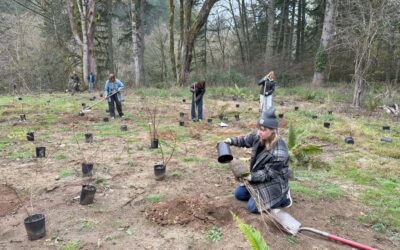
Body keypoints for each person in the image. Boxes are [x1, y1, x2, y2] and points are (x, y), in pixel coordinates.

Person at [223, 107, 292, 213]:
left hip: (274, 182)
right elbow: (245, 140)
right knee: (239, 194)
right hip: (258, 176)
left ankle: (284, 197)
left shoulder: (279, 152)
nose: (259, 132)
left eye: (263, 130)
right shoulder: (259, 136)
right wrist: (230, 140)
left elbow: (268, 174)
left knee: (253, 207)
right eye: (259, 128)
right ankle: (258, 193)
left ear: (273, 130)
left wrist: (251, 176)